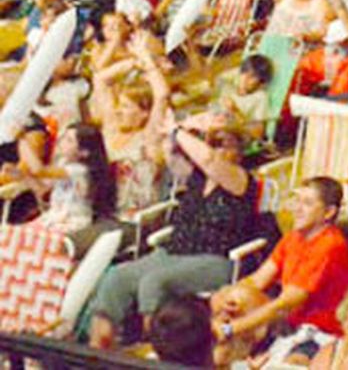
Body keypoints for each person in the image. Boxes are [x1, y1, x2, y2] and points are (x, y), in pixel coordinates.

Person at [86, 118, 256, 349]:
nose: (214, 148)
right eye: (211, 142)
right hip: (173, 252)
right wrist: (185, 126)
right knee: (117, 277)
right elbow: (167, 148)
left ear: (238, 151)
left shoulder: (239, 179)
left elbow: (209, 160)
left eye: (222, 143)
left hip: (215, 259)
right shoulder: (196, 177)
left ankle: (155, 351)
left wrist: (177, 130)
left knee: (154, 282)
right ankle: (98, 349)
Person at [210, 176, 348, 363]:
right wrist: (224, 300)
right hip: (288, 325)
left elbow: (286, 303)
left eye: (307, 203)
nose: (297, 209)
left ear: (328, 212)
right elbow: (256, 281)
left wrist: (231, 329)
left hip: (319, 333)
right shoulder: (294, 237)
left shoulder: (330, 245)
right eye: (297, 201)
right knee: (236, 300)